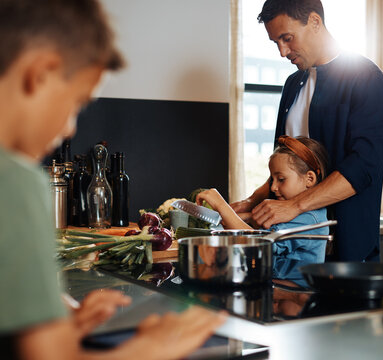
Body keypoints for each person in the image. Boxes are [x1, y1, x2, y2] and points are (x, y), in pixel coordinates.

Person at [0, 1, 225, 359]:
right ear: (40, 72)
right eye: (76, 102)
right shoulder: (15, 181)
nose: (70, 127)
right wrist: (153, 348)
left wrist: (48, 317)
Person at [232, 0, 383, 262]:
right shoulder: (293, 84)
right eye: (276, 43)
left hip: (344, 246)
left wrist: (293, 206)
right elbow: (288, 167)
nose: (283, 52)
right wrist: (252, 201)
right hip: (291, 246)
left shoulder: (367, 79)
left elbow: (364, 167)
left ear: (315, 22)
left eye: (287, 38)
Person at [197, 135, 330, 264]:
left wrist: (222, 205)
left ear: (309, 179)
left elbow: (259, 245)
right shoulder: (299, 215)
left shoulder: (310, 220)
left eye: (281, 179)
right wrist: (242, 219)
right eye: (272, 179)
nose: (272, 187)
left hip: (290, 287)